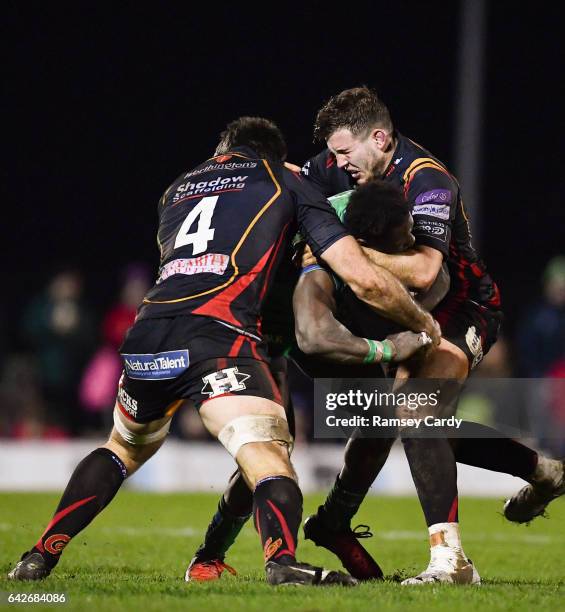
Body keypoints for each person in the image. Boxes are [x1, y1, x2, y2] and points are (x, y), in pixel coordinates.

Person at [8, 117, 439, 587]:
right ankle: (281, 563)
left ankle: (39, 556)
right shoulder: (287, 181)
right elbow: (357, 274)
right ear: (272, 154)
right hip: (219, 338)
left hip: (149, 333)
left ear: (225, 148)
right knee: (268, 456)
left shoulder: (177, 188)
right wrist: (418, 325)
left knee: (121, 448)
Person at [186, 180, 564, 583]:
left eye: (410, 239)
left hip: (335, 324)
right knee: (270, 448)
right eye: (401, 243)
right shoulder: (322, 263)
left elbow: (433, 278)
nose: (409, 248)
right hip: (264, 333)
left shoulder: (383, 215)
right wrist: (386, 348)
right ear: (368, 243)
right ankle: (210, 555)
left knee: (401, 415)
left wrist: (417, 323)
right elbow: (314, 335)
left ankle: (334, 520)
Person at [298, 87, 565, 584]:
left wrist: (341, 253)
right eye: (332, 153)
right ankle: (543, 472)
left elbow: (423, 272)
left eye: (343, 152)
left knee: (416, 411)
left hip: (461, 309)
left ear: (379, 138)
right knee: (385, 417)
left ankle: (450, 561)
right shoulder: (337, 164)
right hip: (391, 312)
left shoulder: (428, 180)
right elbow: (291, 182)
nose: (335, 163)